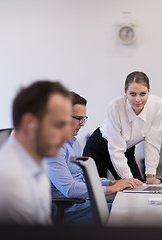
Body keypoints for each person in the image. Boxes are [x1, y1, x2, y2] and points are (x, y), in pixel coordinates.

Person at [0, 80, 73, 225]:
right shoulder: (9, 179)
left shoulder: (33, 165)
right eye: (59, 125)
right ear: (29, 124)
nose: (68, 136)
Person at [44, 91, 142, 225]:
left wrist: (111, 183)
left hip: (87, 205)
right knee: (133, 219)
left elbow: (82, 179)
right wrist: (112, 189)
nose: (82, 124)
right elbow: (70, 189)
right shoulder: (53, 149)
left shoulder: (72, 142)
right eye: (79, 118)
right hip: (71, 212)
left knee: (136, 209)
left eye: (84, 118)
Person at [83, 71, 162, 184]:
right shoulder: (115, 107)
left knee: (138, 188)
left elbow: (152, 143)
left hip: (126, 149)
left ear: (149, 91)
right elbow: (116, 149)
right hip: (99, 148)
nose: (138, 99)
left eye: (142, 94)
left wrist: (150, 175)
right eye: (132, 94)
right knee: (97, 191)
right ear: (125, 92)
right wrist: (128, 179)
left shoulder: (157, 105)